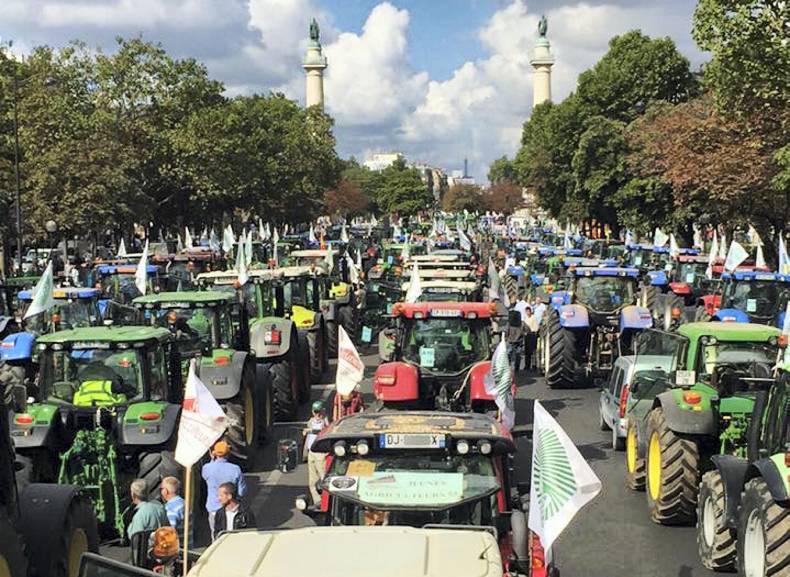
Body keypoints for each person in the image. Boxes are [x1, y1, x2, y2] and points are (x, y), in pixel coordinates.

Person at [201, 440, 246, 540]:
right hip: (231, 509)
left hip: (213, 509)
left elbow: (204, 477)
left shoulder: (207, 468)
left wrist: (212, 459)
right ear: (228, 453)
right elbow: (242, 491)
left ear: (215, 453)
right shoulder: (235, 469)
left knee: (216, 537)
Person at [304, 401, 329, 505]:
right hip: (311, 453)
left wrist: (309, 430)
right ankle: (318, 501)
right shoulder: (311, 421)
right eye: (315, 412)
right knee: (312, 482)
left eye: (319, 412)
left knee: (324, 478)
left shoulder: (325, 422)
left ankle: (327, 500)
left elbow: (322, 430)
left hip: (320, 454)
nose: (317, 415)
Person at [160, 476, 193, 545]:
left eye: (161, 488)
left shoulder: (171, 507)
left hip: (178, 548)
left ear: (165, 491)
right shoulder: (183, 502)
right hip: (188, 544)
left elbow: (171, 530)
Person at [523, 306, 539, 371]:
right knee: (527, 351)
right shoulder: (525, 318)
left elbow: (536, 327)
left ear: (530, 311)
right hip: (527, 335)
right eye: (526, 311)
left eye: (528, 311)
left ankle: (534, 365)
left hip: (532, 335)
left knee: (533, 351)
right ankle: (527, 365)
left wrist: (534, 332)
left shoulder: (534, 318)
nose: (527, 313)